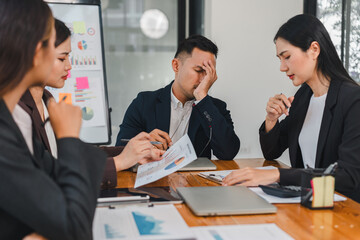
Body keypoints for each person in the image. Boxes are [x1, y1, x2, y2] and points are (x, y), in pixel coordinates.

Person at [222, 14, 360, 202]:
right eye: (280, 58)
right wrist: (271, 120)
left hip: (344, 211)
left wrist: (279, 175)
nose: (282, 67)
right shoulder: (304, 96)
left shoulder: (352, 99)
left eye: (286, 57)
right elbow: (272, 152)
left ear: (314, 49)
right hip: (306, 204)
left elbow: (348, 177)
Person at [18, 19, 164, 189]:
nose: (69, 66)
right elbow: (49, 174)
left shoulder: (47, 99)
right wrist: (120, 161)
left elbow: (76, 154)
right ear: (36, 55)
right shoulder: (17, 111)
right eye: (62, 58)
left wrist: (134, 151)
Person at [1, 0, 104, 239]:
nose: (68, 64)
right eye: (54, 46)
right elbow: (75, 228)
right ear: (37, 51)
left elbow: (56, 178)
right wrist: (68, 137)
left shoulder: (14, 120)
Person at [116, 35, 240, 160]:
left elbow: (228, 152)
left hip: (194, 179)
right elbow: (120, 150)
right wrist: (146, 142)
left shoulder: (214, 108)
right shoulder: (144, 102)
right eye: (198, 70)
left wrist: (202, 100)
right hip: (154, 177)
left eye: (208, 74)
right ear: (176, 66)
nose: (203, 79)